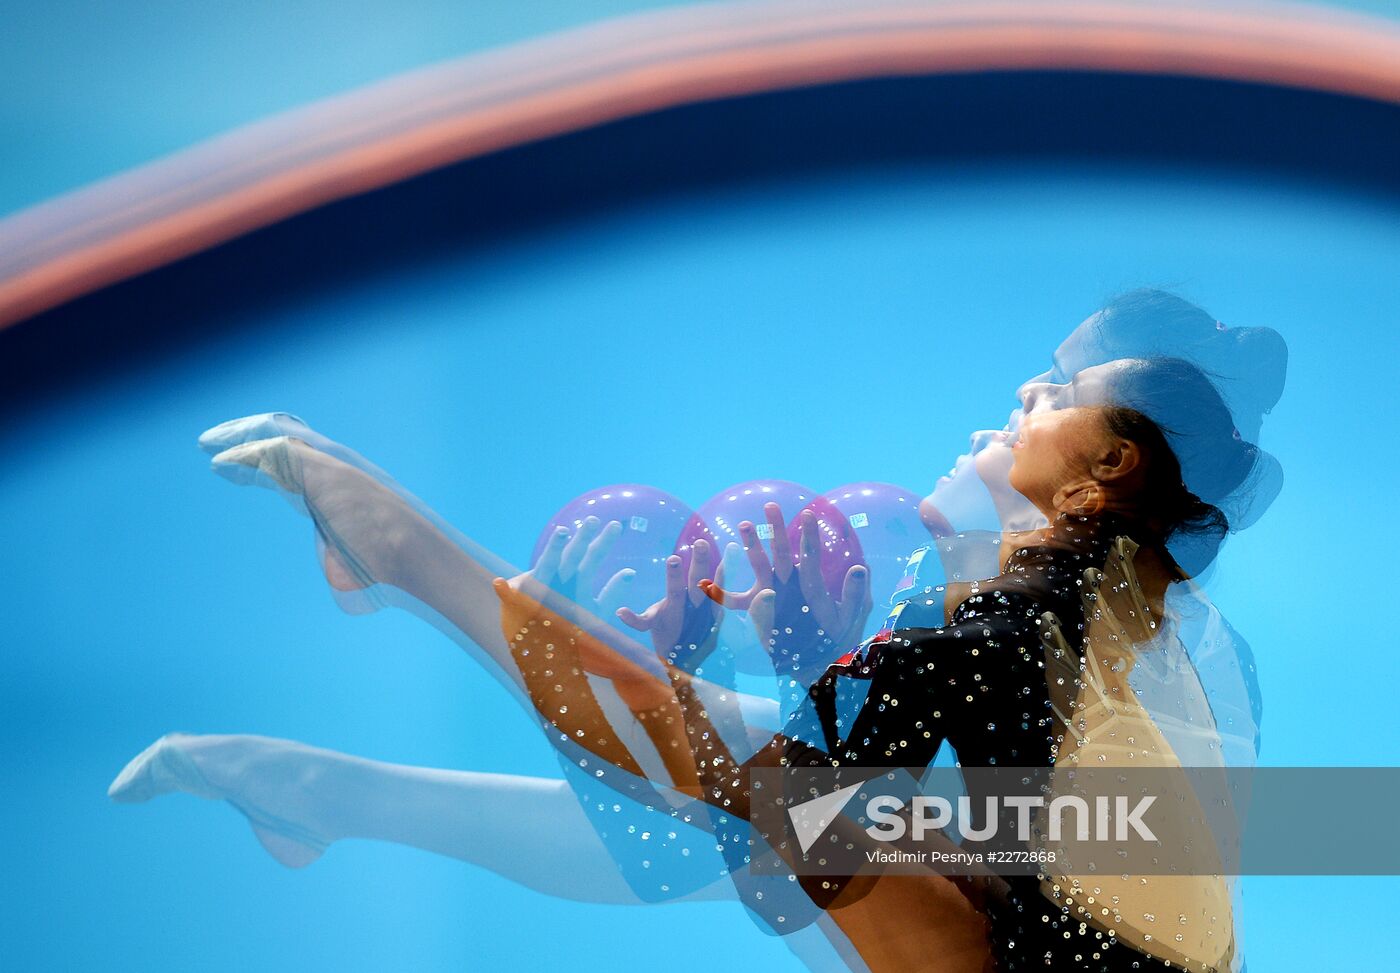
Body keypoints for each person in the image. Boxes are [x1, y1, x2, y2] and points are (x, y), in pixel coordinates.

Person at [109, 291, 1283, 971]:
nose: (1014, 402)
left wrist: (440, 564)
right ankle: (335, 775)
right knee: (812, 800)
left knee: (738, 784)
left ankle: (403, 563)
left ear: (1112, 464)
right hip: (1103, 937)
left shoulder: (1014, 624)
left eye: (1050, 392)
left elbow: (756, 816)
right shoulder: (1130, 618)